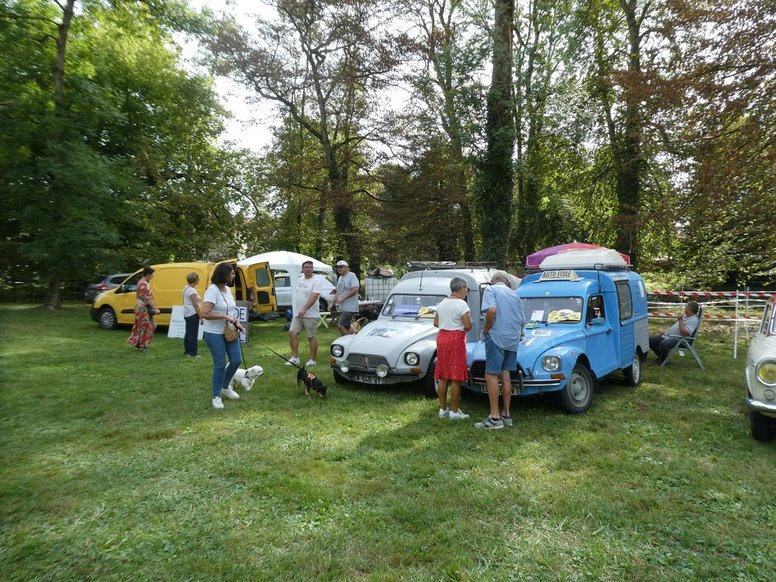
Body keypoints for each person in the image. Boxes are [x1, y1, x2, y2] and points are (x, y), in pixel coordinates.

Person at [475, 270, 525, 429]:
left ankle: (494, 418)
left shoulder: (491, 290)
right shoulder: (514, 294)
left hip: (497, 336)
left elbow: (491, 311)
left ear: (493, 281)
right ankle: (506, 414)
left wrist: (485, 330)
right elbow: (522, 320)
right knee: (505, 374)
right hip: (512, 338)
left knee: (490, 374)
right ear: (507, 282)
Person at [200, 262, 246, 409]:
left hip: (229, 331)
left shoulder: (227, 290)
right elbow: (205, 313)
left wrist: (236, 321)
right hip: (214, 333)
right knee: (220, 364)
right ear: (224, 274)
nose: (233, 275)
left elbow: (230, 311)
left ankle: (225, 387)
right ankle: (216, 396)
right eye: (231, 273)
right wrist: (226, 317)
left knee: (236, 360)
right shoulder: (212, 290)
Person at [433, 277, 473, 420]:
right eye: (466, 289)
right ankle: (454, 411)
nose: (466, 292)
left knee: (443, 375)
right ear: (461, 288)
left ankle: (442, 409)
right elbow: (468, 326)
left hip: (442, 337)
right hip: (456, 338)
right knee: (456, 377)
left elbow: (436, 322)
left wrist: (447, 323)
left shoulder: (442, 303)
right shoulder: (462, 304)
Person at [287, 260, 322, 367]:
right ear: (302, 269)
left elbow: (314, 296)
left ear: (313, 268)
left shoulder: (316, 280)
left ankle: (312, 360)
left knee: (311, 337)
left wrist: (304, 309)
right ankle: (295, 358)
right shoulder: (300, 280)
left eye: (310, 267)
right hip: (298, 314)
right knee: (292, 333)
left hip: (310, 315)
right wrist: (298, 310)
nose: (309, 269)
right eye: (306, 267)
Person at [128, 266, 159, 352]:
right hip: (142, 307)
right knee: (145, 326)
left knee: (148, 324)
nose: (152, 276)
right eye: (152, 274)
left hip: (142, 307)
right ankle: (141, 346)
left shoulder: (142, 282)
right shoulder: (143, 284)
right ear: (148, 274)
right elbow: (148, 298)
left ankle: (138, 343)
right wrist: (155, 309)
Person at [333, 260, 360, 336]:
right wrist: (331, 303)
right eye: (337, 267)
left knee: (340, 325)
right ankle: (350, 340)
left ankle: (346, 340)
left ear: (347, 267)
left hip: (350, 307)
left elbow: (355, 289)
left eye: (341, 267)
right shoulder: (340, 278)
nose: (339, 269)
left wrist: (343, 298)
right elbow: (338, 292)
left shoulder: (352, 275)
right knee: (346, 327)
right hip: (343, 307)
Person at [182, 272, 202, 357]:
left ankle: (187, 351)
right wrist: (201, 316)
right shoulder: (191, 290)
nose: (199, 280)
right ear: (195, 280)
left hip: (187, 313)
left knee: (188, 333)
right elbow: (196, 305)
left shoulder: (186, 288)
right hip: (193, 313)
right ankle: (193, 353)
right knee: (193, 334)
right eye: (198, 278)